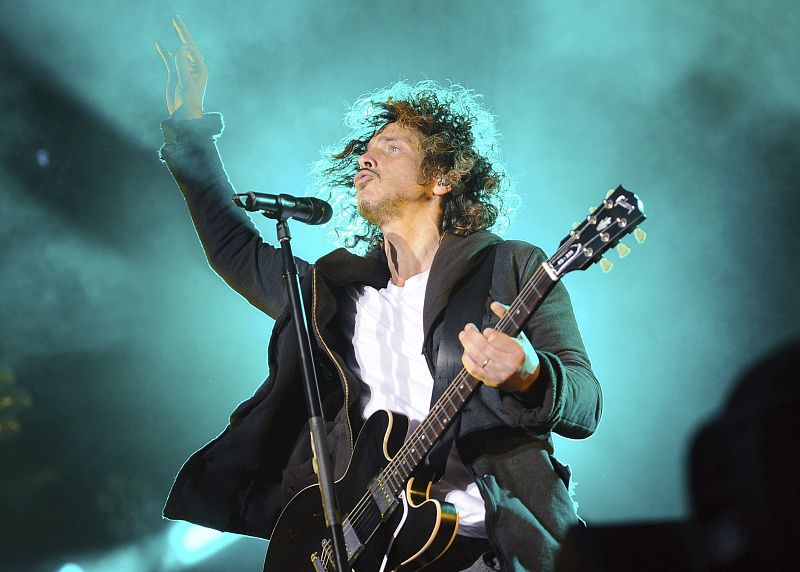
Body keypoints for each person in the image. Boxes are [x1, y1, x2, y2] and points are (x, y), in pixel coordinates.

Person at [156, 16, 602, 572]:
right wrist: (190, 123)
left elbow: (585, 401)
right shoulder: (336, 293)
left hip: (488, 547)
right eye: (365, 150)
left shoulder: (511, 267)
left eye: (391, 148)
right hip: (367, 548)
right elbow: (233, 246)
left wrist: (531, 375)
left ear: (442, 177)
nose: (366, 159)